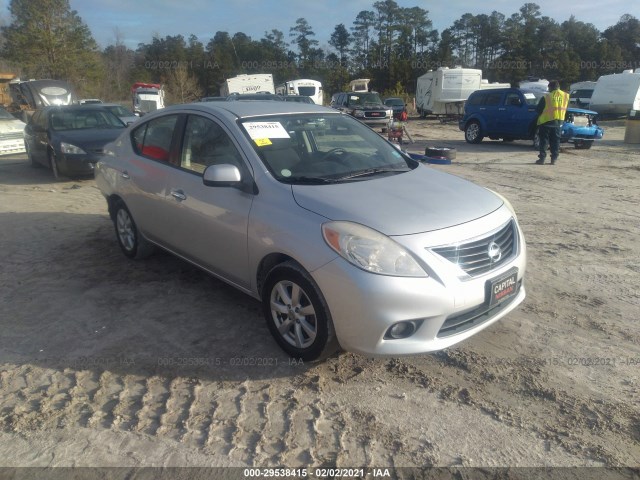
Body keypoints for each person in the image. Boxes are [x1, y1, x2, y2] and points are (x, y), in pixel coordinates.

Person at [535, 80, 569, 165]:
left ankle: (542, 159)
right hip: (558, 123)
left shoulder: (547, 97)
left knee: (544, 141)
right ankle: (554, 159)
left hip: (546, 122)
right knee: (556, 141)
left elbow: (538, 109)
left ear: (551, 87)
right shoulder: (565, 96)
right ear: (558, 87)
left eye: (549, 87)